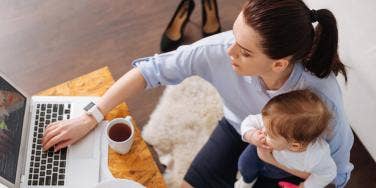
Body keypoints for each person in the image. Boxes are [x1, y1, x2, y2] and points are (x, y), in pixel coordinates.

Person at [42, 0, 354, 187]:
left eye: (244, 51)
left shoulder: (320, 99)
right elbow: (148, 71)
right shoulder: (221, 50)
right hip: (237, 128)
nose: (228, 51)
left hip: (292, 160)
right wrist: (91, 116)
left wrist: (275, 159)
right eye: (233, 35)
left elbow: (336, 172)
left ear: (279, 63)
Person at [238, 89, 336, 188]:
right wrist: (252, 135)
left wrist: (306, 186)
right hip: (260, 148)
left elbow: (327, 174)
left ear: (294, 146)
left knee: (271, 178)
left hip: (283, 168)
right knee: (244, 164)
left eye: (269, 134)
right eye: (263, 126)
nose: (262, 130)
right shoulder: (274, 120)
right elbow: (249, 121)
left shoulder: (316, 155)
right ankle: (247, 181)